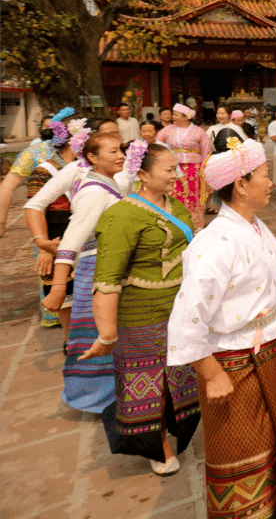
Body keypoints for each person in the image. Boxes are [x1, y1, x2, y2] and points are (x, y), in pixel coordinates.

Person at [167, 135, 276, 519]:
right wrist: (211, 375)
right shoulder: (215, 243)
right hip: (235, 362)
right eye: (262, 175)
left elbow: (270, 297)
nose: (271, 181)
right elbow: (186, 321)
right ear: (240, 185)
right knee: (244, 440)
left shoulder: (256, 227)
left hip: (272, 351)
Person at [80, 143, 202, 475]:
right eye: (168, 169)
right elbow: (107, 280)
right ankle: (156, 443)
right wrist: (106, 334)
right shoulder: (121, 216)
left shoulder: (175, 205)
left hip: (179, 309)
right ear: (144, 175)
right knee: (150, 382)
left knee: (180, 375)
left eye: (176, 168)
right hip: (141, 316)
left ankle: (177, 428)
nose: (176, 175)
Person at [45, 131, 130, 414]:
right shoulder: (94, 192)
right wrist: (58, 286)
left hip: (107, 266)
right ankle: (98, 398)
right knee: (100, 333)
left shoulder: (107, 183)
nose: (120, 155)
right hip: (97, 270)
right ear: (91, 157)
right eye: (111, 152)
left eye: (120, 149)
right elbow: (71, 242)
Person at [23, 113, 80, 328]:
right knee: (65, 291)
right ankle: (68, 340)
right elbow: (36, 209)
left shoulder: (86, 167)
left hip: (84, 232)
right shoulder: (43, 171)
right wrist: (46, 246)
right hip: (56, 235)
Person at [0, 106, 76, 238]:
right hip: (50, 224)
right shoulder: (34, 153)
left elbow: (6, 188)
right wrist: (1, 222)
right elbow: (7, 187)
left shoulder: (89, 151)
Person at [157, 104, 212, 231]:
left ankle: (195, 224)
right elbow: (158, 145)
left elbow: (206, 151)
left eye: (176, 115)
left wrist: (204, 168)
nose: (173, 117)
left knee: (192, 195)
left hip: (194, 168)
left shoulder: (199, 131)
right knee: (173, 193)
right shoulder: (166, 130)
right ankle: (174, 222)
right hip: (172, 167)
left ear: (185, 117)